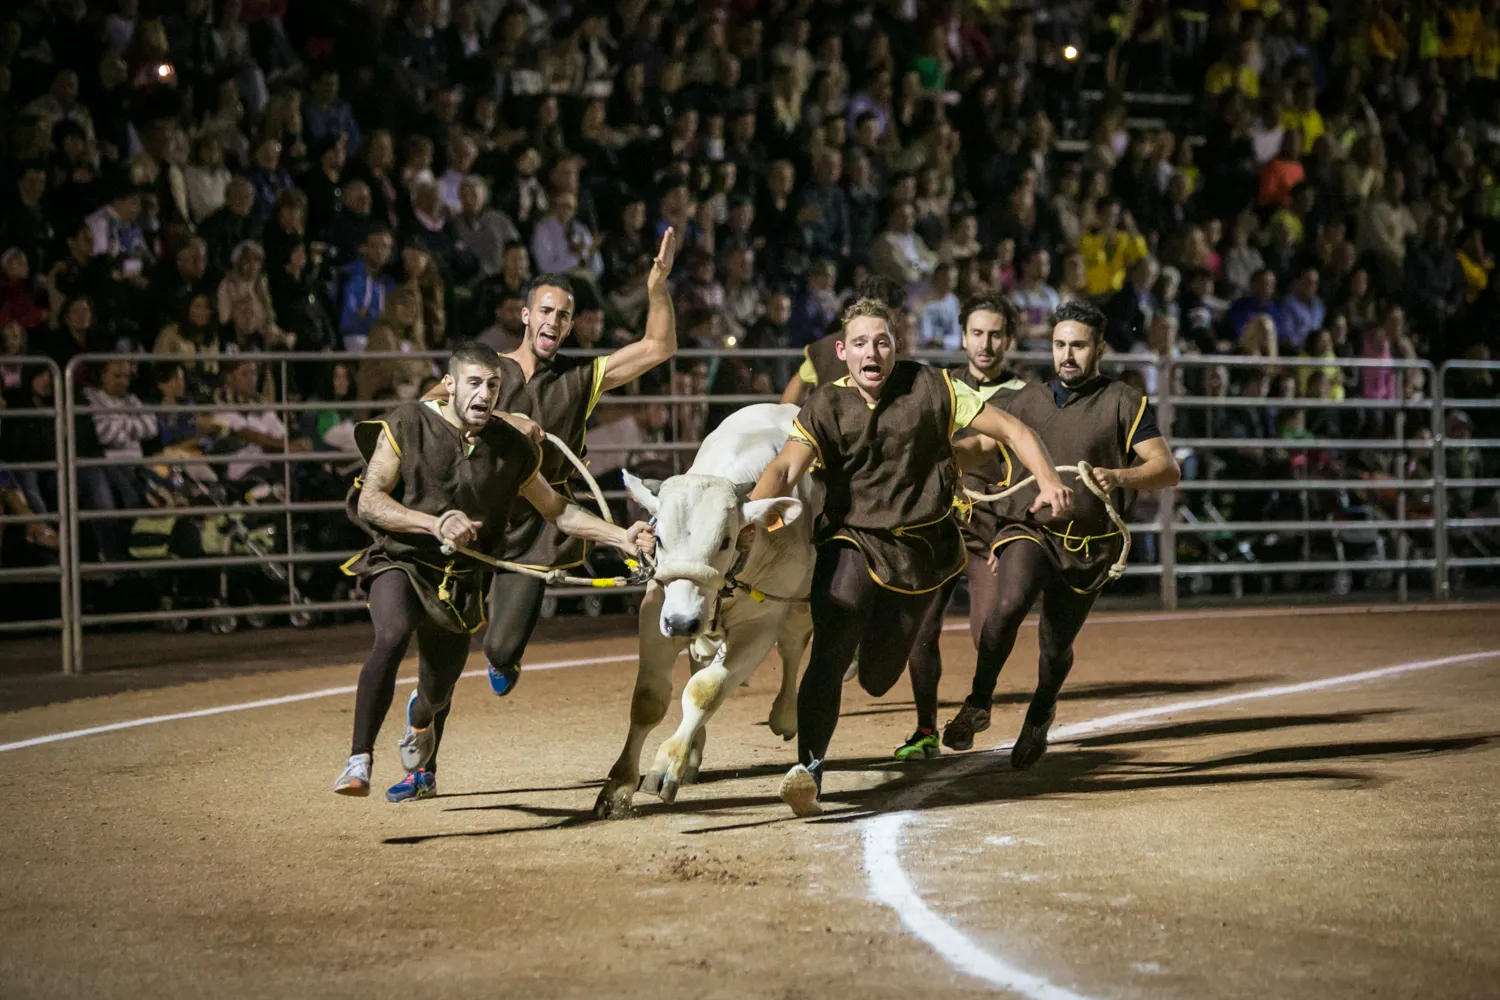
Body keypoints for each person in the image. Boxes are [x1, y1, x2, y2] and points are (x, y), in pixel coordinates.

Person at [747, 296, 1073, 817]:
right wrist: (752, 518)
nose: (871, 352)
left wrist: (1050, 480)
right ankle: (808, 771)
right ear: (843, 352)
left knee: (878, 679)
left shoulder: (934, 387)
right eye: (859, 343)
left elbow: (1013, 430)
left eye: (881, 342)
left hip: (921, 552)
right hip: (853, 537)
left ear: (895, 346)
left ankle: (868, 642)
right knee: (832, 640)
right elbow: (785, 468)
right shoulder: (825, 403)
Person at [400, 230, 679, 802]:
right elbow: (426, 408)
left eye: (564, 315)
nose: (554, 321)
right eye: (545, 311)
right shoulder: (487, 370)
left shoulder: (579, 379)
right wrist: (503, 419)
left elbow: (658, 346)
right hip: (471, 521)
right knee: (446, 653)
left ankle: (504, 658)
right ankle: (422, 766)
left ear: (570, 325)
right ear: (525, 316)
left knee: (500, 652)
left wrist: (657, 286)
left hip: (534, 532)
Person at [334, 342, 655, 797]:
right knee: (393, 631)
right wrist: (433, 523)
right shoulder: (407, 423)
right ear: (449, 386)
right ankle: (358, 761)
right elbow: (371, 501)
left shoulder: (512, 449)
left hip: (460, 580)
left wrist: (620, 536)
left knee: (436, 693)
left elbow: (558, 510)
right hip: (401, 558)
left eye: (492, 385)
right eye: (474, 383)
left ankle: (421, 721)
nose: (484, 394)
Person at [930, 301, 1181, 767]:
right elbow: (982, 445)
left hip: (1089, 545)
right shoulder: (1026, 399)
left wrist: (1119, 477)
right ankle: (978, 702)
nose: (1067, 355)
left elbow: (1166, 468)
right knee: (1008, 603)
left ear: (1099, 349)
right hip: (1029, 527)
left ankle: (1041, 710)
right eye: (1059, 345)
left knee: (1056, 644)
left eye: (1078, 346)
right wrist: (941, 455)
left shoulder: (1124, 401)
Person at [895, 294, 1027, 760]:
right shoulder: (938, 387)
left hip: (990, 534)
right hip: (938, 529)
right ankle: (925, 729)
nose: (985, 344)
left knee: (988, 631)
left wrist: (1011, 537)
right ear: (963, 336)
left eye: (995, 335)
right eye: (976, 334)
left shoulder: (1027, 397)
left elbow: (1026, 471)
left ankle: (978, 704)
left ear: (1009, 339)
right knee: (921, 630)